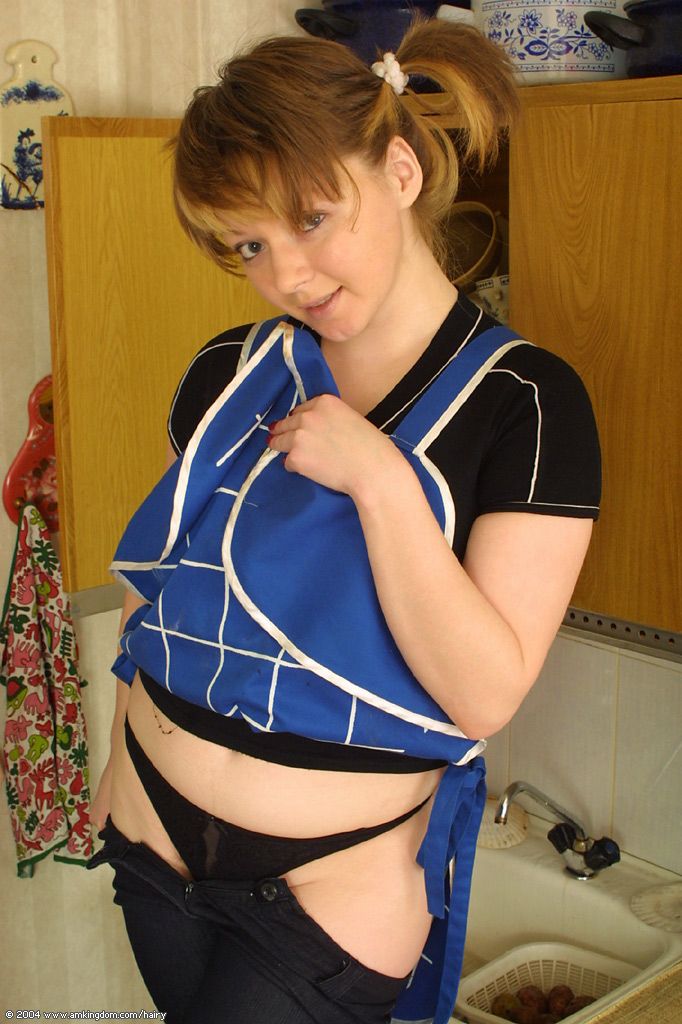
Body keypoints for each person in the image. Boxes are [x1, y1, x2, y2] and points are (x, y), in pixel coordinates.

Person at [88, 18, 600, 1024]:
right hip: (151, 828)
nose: (286, 276)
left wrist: (380, 482)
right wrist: (117, 757)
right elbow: (172, 586)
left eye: (312, 219)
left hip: (329, 882)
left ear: (400, 171)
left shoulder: (527, 404)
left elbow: (482, 694)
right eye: (250, 244)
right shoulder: (229, 371)